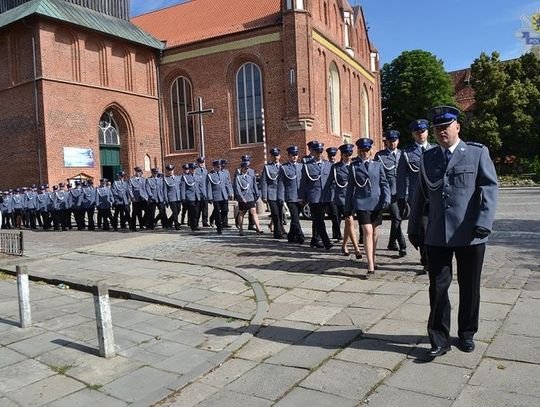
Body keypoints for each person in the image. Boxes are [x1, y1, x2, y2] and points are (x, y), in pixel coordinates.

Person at [408, 106, 498, 359]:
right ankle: (439, 338)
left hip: (471, 233)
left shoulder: (476, 153)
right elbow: (420, 195)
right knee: (437, 287)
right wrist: (414, 226)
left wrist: (484, 221)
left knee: (470, 286)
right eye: (437, 129)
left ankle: (467, 333)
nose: (441, 132)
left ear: (457, 127)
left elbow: (490, 189)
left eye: (445, 127)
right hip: (437, 233)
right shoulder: (429, 157)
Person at [346, 138, 390, 274]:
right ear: (358, 151)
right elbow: (350, 189)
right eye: (362, 150)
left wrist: (386, 197)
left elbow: (384, 183)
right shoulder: (354, 167)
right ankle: (370, 264)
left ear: (370, 150)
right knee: (368, 231)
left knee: (375, 231)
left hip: (376, 202)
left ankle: (373, 256)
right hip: (361, 203)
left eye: (367, 150)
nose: (365, 153)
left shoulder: (378, 165)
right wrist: (348, 207)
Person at [397, 119, 436, 273]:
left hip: (434, 196)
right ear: (413, 134)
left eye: (424, 131)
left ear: (427, 132)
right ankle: (426, 258)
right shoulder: (407, 153)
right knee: (423, 229)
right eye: (418, 132)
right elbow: (401, 177)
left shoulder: (435, 149)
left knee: (435, 228)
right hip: (417, 197)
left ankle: (432, 256)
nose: (421, 135)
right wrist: (403, 197)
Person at [376, 130, 407, 257]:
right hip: (390, 193)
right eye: (390, 141)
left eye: (394, 141)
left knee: (398, 219)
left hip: (402, 193)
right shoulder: (380, 156)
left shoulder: (403, 154)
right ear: (386, 142)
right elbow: (377, 175)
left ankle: (391, 242)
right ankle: (403, 246)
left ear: (398, 141)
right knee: (397, 218)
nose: (392, 143)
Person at [299, 141, 333, 250]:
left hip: (325, 196)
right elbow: (303, 183)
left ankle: (314, 240)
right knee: (319, 220)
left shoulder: (328, 165)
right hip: (313, 197)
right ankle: (326, 242)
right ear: (313, 152)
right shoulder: (307, 166)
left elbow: (332, 182)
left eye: (320, 152)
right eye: (317, 152)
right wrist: (303, 198)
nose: (319, 154)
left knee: (318, 219)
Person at [332, 143, 362, 258]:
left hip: (354, 198)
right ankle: (356, 249)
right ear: (341, 155)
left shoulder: (355, 166)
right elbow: (329, 183)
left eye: (349, 154)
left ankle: (344, 245)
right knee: (350, 222)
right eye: (345, 154)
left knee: (348, 225)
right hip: (342, 199)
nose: (348, 157)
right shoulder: (336, 167)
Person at [278, 146, 305, 244]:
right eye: (292, 155)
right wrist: (280, 197)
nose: (294, 157)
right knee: (295, 217)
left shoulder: (301, 166)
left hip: (301, 197)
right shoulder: (284, 167)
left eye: (296, 155)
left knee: (295, 218)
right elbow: (280, 183)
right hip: (291, 197)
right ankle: (300, 235)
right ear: (288, 156)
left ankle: (291, 236)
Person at [261, 147, 285, 239]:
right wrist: (264, 195)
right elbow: (264, 182)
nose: (276, 157)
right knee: (275, 214)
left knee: (280, 213)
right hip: (271, 194)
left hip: (280, 194)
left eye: (277, 155)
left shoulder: (283, 167)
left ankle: (279, 230)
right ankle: (277, 233)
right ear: (271, 156)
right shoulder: (267, 167)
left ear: (280, 156)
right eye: (274, 155)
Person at [234, 161, 263, 235]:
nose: (246, 170)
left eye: (247, 168)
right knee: (241, 213)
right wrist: (241, 197)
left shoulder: (251, 177)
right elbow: (237, 189)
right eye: (245, 168)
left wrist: (257, 194)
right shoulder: (238, 178)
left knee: (253, 211)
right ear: (242, 169)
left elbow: (254, 186)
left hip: (250, 197)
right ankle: (241, 229)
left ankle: (258, 228)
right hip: (243, 198)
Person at [207, 160, 234, 235]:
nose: (219, 167)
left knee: (225, 210)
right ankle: (219, 227)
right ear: (214, 167)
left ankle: (218, 221)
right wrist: (209, 197)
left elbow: (227, 184)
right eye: (217, 166)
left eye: (220, 166)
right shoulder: (210, 175)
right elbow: (209, 187)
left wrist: (230, 192)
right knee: (217, 212)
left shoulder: (224, 174)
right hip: (216, 196)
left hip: (224, 195)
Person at [325, 146, 342, 241]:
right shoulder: (326, 166)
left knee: (338, 215)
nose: (332, 157)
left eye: (334, 155)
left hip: (339, 193)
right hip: (330, 194)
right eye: (330, 156)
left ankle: (336, 233)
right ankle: (337, 234)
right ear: (328, 156)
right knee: (334, 215)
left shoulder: (338, 165)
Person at [181, 163, 202, 231]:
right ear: (189, 169)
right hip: (190, 197)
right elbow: (183, 188)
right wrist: (183, 197)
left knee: (197, 212)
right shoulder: (185, 177)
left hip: (197, 197)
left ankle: (195, 224)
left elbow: (200, 187)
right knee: (192, 212)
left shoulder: (198, 177)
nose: (193, 170)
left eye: (194, 169)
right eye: (192, 169)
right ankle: (193, 225)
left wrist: (204, 195)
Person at [128, 166, 148, 231]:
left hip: (143, 198)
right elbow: (130, 189)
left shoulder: (143, 179)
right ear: (135, 172)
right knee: (135, 213)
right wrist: (132, 197)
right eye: (137, 172)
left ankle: (143, 224)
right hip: (135, 199)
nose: (138, 173)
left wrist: (146, 197)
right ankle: (133, 227)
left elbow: (145, 188)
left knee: (147, 210)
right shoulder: (131, 180)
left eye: (139, 172)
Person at [164, 164, 182, 230]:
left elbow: (180, 187)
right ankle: (176, 225)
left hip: (178, 197)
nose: (170, 172)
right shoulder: (166, 179)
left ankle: (169, 221)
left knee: (178, 210)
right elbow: (165, 190)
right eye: (169, 170)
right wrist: (166, 200)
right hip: (171, 198)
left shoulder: (177, 178)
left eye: (171, 170)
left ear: (173, 170)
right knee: (174, 211)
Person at [195, 157, 210, 227]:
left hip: (205, 193)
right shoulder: (196, 171)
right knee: (197, 209)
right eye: (200, 163)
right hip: (198, 193)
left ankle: (205, 222)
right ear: (198, 163)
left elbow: (207, 183)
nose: (201, 164)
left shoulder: (205, 171)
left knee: (205, 209)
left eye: (202, 162)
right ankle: (196, 222)